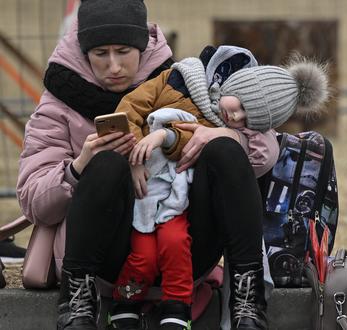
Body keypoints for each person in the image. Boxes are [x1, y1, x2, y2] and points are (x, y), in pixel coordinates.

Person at [15, 1, 278, 330]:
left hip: (185, 243)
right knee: (107, 163)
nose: (114, 66)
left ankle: (247, 297)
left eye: (123, 51)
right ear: (83, 53)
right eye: (101, 54)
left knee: (224, 148)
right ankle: (76, 301)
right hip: (106, 259)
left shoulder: (182, 81)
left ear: (142, 46)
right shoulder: (57, 103)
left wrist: (221, 133)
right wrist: (79, 167)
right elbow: (33, 202)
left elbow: (266, 151)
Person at [109, 48, 329, 330]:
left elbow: (263, 155)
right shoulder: (183, 79)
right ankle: (125, 301)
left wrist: (229, 134)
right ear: (236, 85)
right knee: (145, 254)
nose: (236, 116)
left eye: (249, 119)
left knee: (175, 243)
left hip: (182, 207)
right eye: (240, 105)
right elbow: (139, 111)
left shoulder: (228, 125)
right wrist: (135, 154)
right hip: (145, 189)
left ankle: (185, 305)